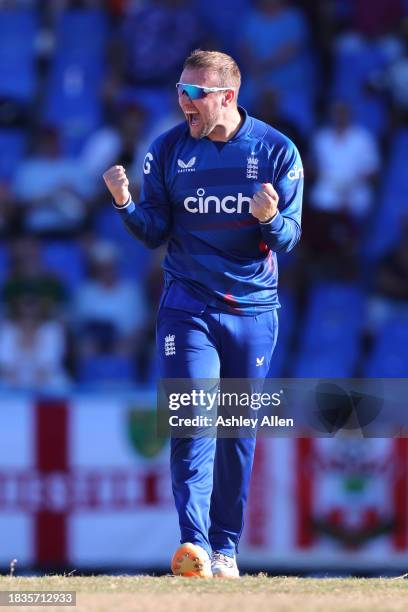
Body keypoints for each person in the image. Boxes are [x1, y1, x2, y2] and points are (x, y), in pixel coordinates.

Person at [103, 50, 303, 578]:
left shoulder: (277, 150)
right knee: (193, 419)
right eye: (179, 90)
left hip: (253, 311)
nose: (182, 102)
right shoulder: (167, 150)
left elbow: (290, 237)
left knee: (237, 430)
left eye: (194, 94)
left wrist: (271, 218)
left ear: (227, 97)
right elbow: (153, 231)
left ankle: (226, 550)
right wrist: (125, 204)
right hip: (188, 304)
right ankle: (193, 546)